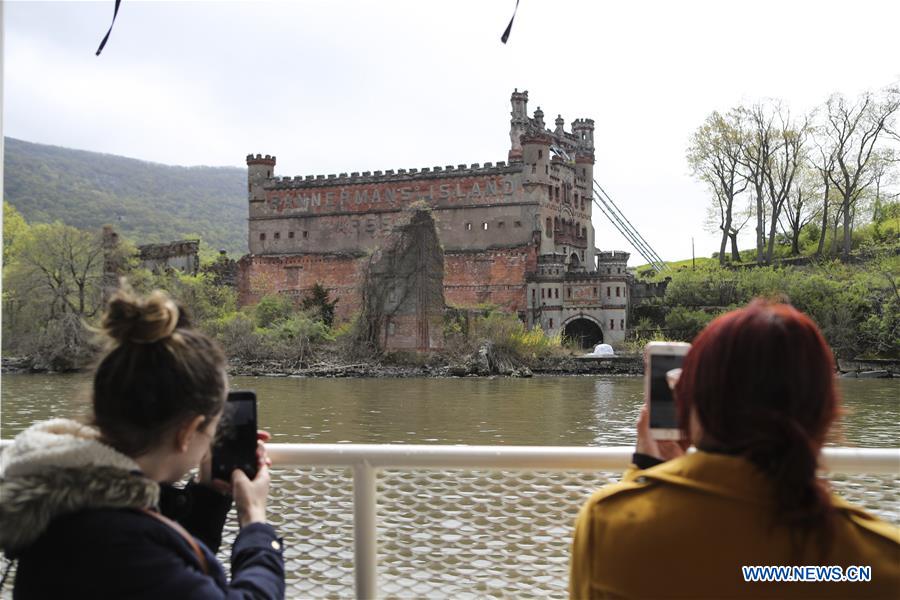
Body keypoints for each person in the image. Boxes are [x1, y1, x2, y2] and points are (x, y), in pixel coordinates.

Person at [570, 300, 900, 599]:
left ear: (692, 404)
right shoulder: (879, 560)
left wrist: (646, 473)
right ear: (826, 415)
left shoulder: (609, 526)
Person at [0, 286, 285, 598]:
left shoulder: (66, 500)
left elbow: (166, 577)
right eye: (214, 428)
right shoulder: (117, 539)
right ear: (188, 433)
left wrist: (208, 496)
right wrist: (255, 521)